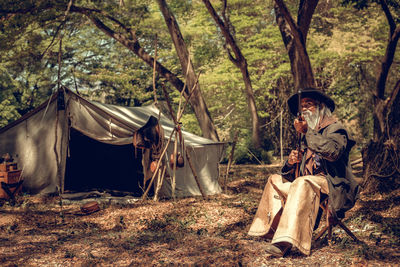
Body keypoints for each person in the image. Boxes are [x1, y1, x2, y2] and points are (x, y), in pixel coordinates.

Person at [248, 87, 359, 257]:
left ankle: (284, 242)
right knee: (275, 179)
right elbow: (292, 175)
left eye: (309, 104)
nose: (305, 109)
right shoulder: (306, 135)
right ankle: (269, 230)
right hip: (306, 185)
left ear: (321, 107)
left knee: (303, 182)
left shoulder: (335, 129)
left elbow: (333, 153)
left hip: (332, 185)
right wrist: (291, 162)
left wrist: (308, 132)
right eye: (302, 107)